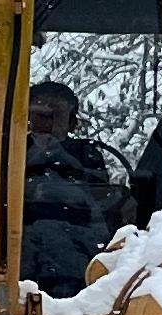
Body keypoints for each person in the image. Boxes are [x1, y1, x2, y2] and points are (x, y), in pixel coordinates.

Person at [22, 78, 130, 292]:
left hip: (79, 248)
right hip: (21, 245)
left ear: (72, 123)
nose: (47, 122)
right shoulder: (10, 151)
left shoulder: (88, 155)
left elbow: (101, 206)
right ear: (27, 117)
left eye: (56, 115)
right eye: (40, 114)